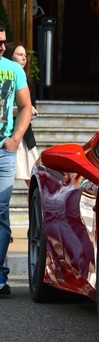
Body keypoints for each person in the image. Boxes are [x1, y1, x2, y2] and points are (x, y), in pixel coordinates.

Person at [0, 22, 33, 297]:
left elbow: (26, 107)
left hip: (3, 151)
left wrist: (15, 139)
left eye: (3, 42)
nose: (2, 47)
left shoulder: (13, 70)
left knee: (0, 212)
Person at [4, 42, 38, 187]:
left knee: (33, 179)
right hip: (4, 134)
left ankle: (35, 209)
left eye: (25, 55)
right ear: (9, 56)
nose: (24, 58)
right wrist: (13, 111)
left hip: (23, 136)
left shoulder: (28, 80)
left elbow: (32, 108)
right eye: (19, 54)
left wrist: (27, 111)